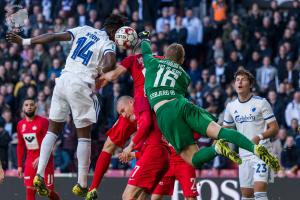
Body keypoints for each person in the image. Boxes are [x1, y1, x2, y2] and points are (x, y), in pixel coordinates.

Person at [7, 14, 126, 197]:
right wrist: (99, 71)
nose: (119, 37)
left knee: (52, 131)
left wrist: (25, 41)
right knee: (84, 136)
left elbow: (54, 36)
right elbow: (110, 64)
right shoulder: (107, 43)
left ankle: (39, 174)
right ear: (112, 30)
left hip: (62, 81)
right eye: (118, 33)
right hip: (81, 85)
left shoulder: (84, 29)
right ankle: (82, 183)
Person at [139, 31, 280, 173]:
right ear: (182, 61)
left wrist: (144, 37)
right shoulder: (184, 75)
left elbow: (146, 51)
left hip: (165, 112)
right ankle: (254, 148)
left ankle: (216, 149)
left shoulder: (152, 63)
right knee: (221, 132)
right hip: (183, 104)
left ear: (165, 56)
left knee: (193, 159)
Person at [86, 48, 164, 199]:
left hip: (143, 107)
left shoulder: (132, 59)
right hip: (154, 107)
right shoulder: (161, 59)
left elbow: (113, 75)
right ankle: (93, 187)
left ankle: (93, 187)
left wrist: (100, 79)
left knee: (115, 147)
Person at [223, 68, 279, 200]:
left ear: (251, 84)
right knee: (246, 195)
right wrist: (221, 145)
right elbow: (225, 130)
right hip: (244, 154)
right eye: (237, 80)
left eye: (243, 79)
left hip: (261, 151)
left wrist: (259, 137)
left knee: (259, 193)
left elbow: (275, 128)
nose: (239, 82)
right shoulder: (231, 106)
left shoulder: (261, 102)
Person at [116, 96, 170, 200]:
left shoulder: (140, 102)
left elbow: (146, 123)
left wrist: (130, 146)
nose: (124, 115)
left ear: (131, 102)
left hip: (155, 152)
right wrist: (133, 154)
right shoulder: (142, 116)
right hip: (162, 156)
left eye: (123, 110)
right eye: (121, 114)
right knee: (141, 197)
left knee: (127, 196)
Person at [16, 97, 60, 200]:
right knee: (30, 190)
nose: (29, 107)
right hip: (30, 161)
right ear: (23, 108)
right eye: (26, 105)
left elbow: (51, 141)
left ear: (35, 106)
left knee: (48, 192)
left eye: (31, 104)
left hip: (46, 161)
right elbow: (20, 145)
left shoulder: (43, 122)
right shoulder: (20, 125)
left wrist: (41, 157)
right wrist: (19, 165)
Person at [86, 115, 137, 199]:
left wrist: (131, 147)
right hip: (155, 110)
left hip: (136, 110)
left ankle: (93, 188)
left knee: (108, 147)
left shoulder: (130, 109)